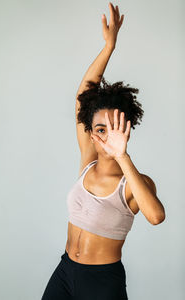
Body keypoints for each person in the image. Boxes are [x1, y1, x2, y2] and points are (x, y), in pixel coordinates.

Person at [41, 2, 166, 299]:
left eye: (114, 127)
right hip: (65, 270)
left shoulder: (135, 184)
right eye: (100, 129)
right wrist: (108, 47)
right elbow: (83, 97)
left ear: (127, 128)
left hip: (101, 282)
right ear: (91, 133)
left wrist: (122, 156)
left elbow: (156, 216)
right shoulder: (88, 161)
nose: (106, 136)